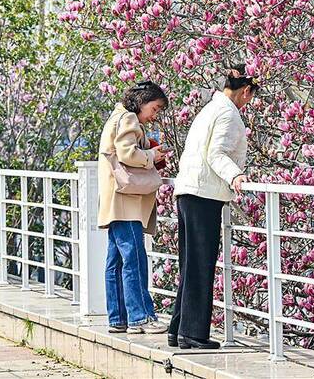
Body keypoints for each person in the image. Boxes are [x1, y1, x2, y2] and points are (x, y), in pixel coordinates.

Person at [167, 66, 256, 349]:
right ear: (245, 91)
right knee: (200, 264)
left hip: (189, 190)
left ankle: (178, 328)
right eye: (251, 96)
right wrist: (235, 175)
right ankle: (193, 333)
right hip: (203, 195)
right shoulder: (229, 114)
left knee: (190, 263)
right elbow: (216, 153)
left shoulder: (209, 109)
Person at [98, 81, 171, 334]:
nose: (155, 115)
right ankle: (141, 317)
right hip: (125, 201)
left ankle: (118, 318)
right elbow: (127, 153)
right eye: (155, 108)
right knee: (134, 259)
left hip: (115, 200)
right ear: (142, 102)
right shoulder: (128, 118)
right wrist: (152, 156)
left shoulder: (117, 117)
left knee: (116, 261)